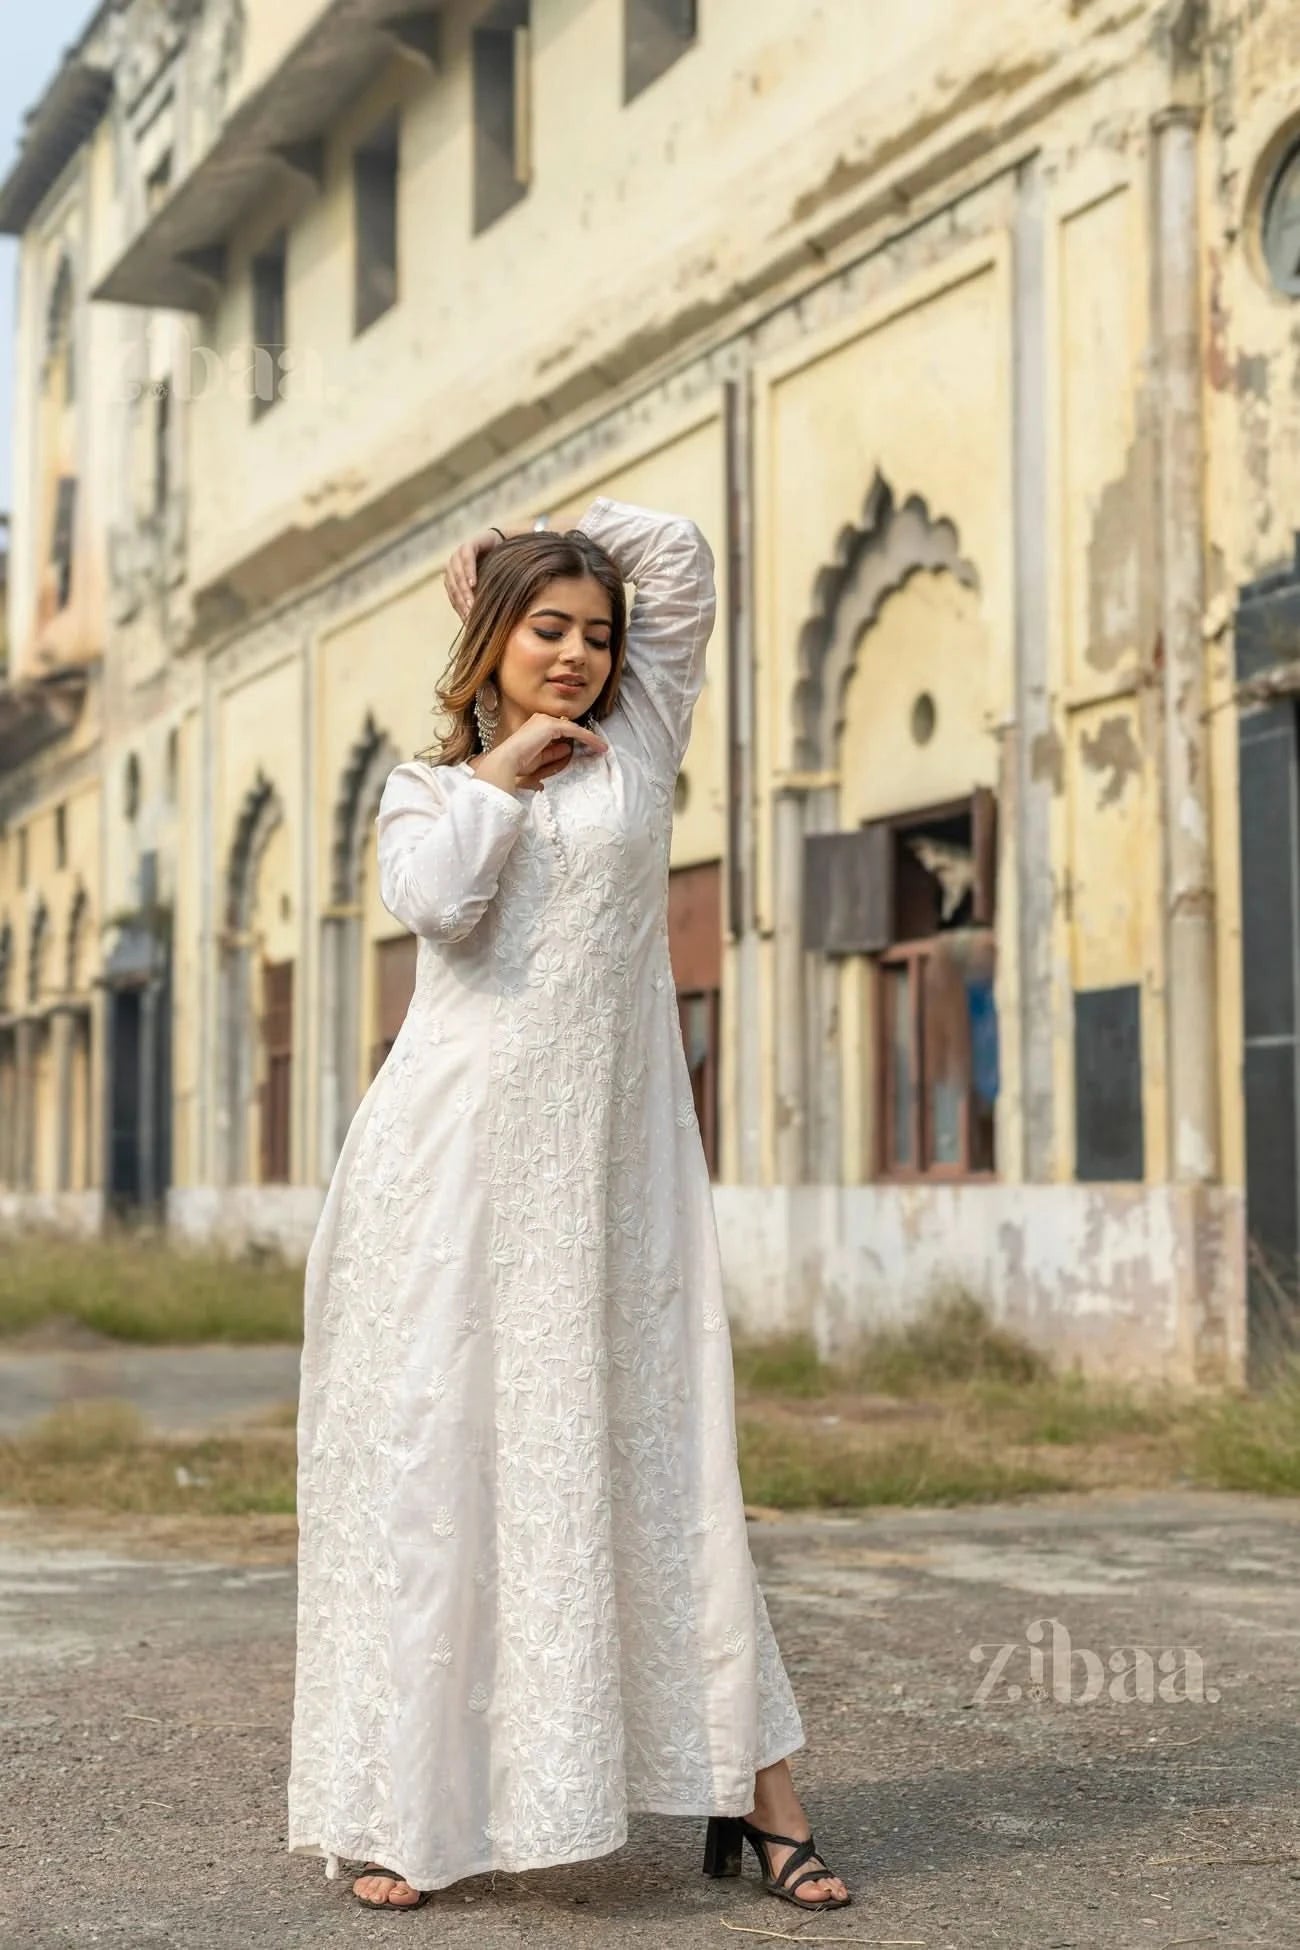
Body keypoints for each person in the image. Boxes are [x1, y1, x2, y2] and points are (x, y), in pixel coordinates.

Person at [287, 497, 850, 1916]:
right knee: (447, 1468)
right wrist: (508, 767)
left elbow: (680, 553)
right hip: (452, 1173)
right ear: (487, 644)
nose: (580, 657)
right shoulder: (429, 794)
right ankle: (418, 1811)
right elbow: (441, 906)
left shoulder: (640, 746)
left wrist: (533, 527)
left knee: (667, 1457)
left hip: (613, 1179)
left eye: (597, 638)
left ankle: (760, 1790)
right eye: (547, 628)